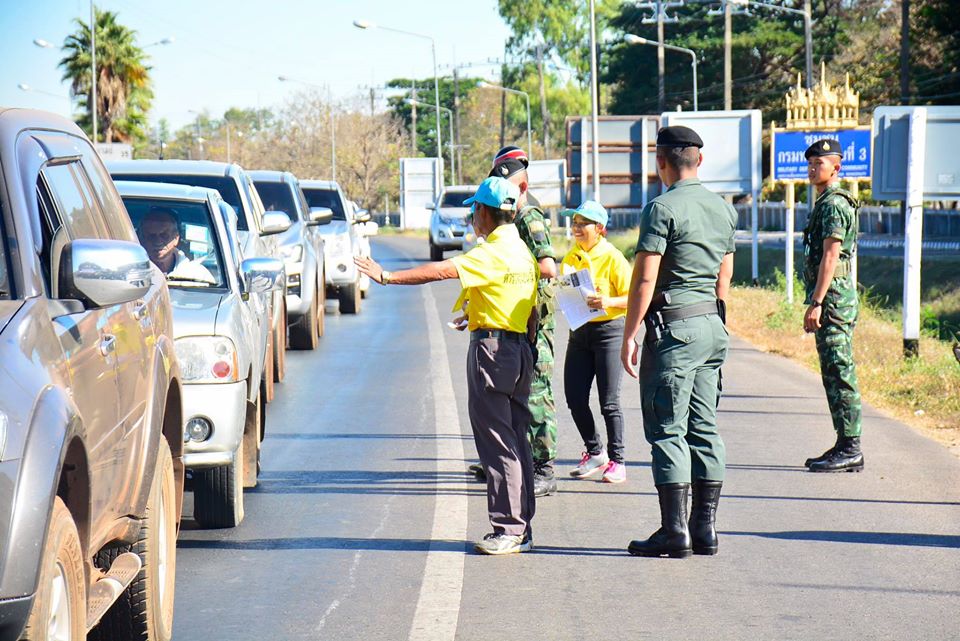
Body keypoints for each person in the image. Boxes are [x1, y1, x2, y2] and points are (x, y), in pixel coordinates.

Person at [355, 176, 539, 556]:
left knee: (498, 443)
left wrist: (387, 275)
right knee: (518, 439)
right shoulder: (522, 251)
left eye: (475, 210)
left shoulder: (490, 252)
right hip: (519, 348)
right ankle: (522, 526)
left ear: (485, 213)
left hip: (493, 353)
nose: (473, 217)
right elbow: (529, 306)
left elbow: (441, 271)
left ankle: (507, 528)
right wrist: (485, 321)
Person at [620, 125, 736, 558]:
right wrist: (715, 320)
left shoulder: (661, 208)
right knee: (704, 427)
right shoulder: (724, 211)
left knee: (668, 428)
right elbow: (724, 277)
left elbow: (645, 277)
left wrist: (631, 333)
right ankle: (704, 530)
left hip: (675, 330)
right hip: (711, 324)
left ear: (661, 162)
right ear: (700, 160)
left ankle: (675, 533)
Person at [485, 146, 560, 498]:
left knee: (539, 391)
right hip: (519, 313)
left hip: (536, 317)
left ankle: (544, 468)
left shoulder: (528, 217)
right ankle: (519, 459)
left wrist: (516, 270)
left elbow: (548, 267)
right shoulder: (513, 216)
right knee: (519, 389)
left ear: (523, 187)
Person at [801, 138, 864, 473]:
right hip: (833, 297)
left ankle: (851, 446)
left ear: (836, 167)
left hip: (833, 299)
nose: (813, 169)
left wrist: (817, 302)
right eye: (810, 164)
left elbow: (830, 254)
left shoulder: (833, 205)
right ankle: (844, 443)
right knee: (832, 372)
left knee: (840, 370)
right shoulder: (825, 201)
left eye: (819, 164)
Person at [561, 200, 632, 484]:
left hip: (609, 332)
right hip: (580, 332)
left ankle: (618, 460)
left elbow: (633, 297)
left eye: (582, 224)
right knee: (574, 397)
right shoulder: (571, 256)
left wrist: (608, 301)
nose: (576, 229)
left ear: (599, 229)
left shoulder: (614, 257)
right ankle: (595, 452)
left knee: (609, 402)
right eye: (574, 223)